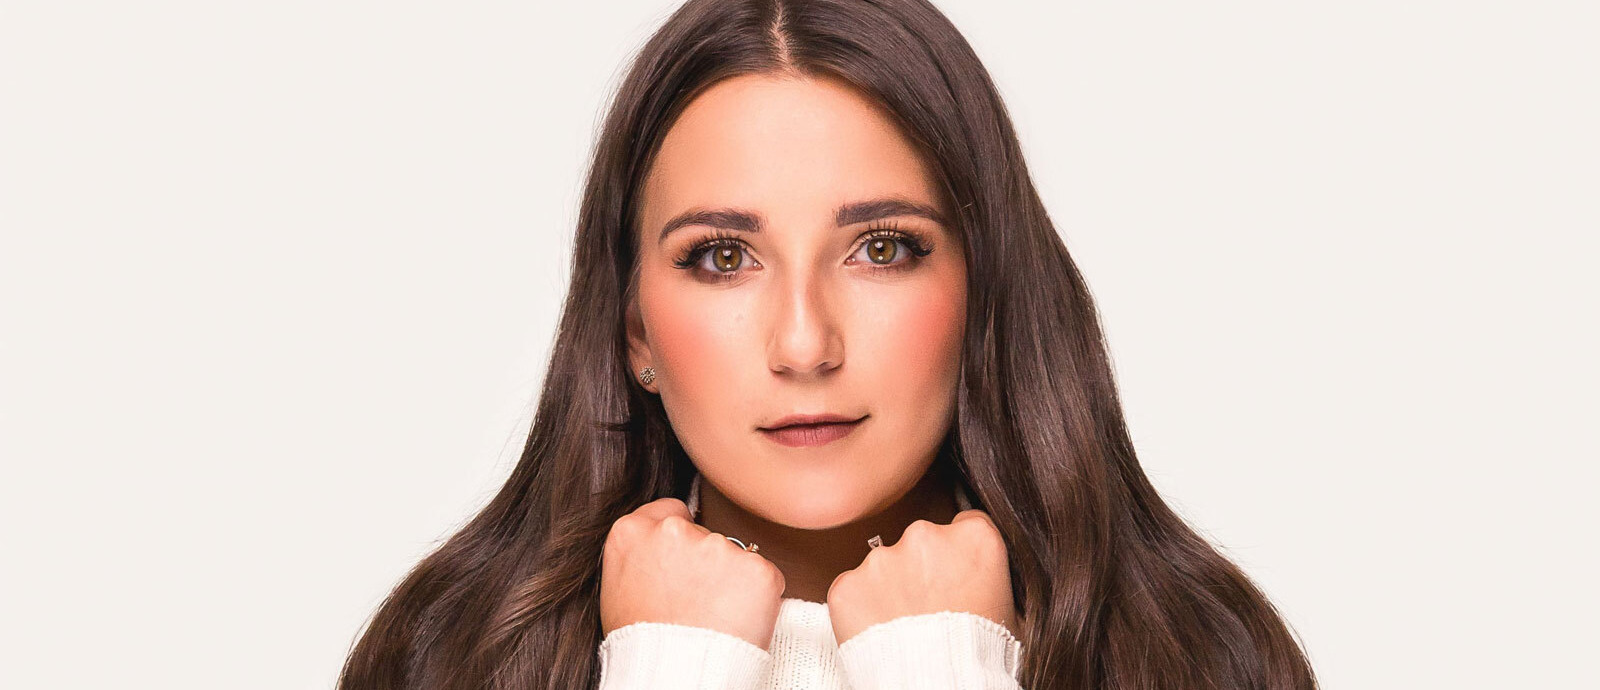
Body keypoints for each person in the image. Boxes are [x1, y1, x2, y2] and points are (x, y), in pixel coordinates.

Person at [337, 1, 1319, 689]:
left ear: (983, 291)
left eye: (882, 249)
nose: (805, 344)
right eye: (722, 257)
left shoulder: (1196, 658)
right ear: (635, 331)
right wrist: (672, 669)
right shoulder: (450, 659)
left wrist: (942, 665)